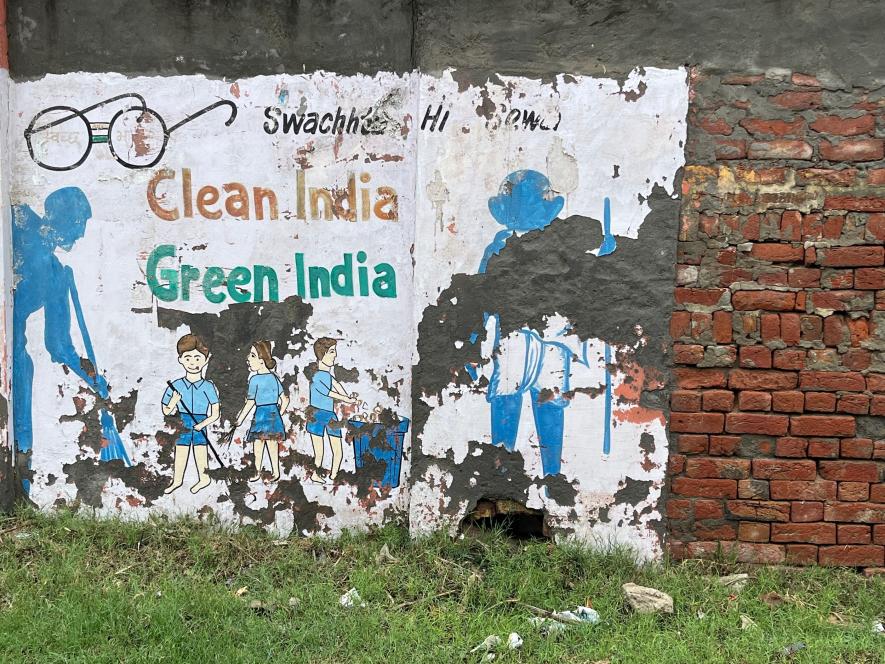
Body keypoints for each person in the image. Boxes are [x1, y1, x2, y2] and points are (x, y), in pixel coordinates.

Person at [12, 187, 129, 490]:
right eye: (78, 224)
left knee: (23, 379)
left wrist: (90, 377)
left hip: (14, 355)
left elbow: (58, 343)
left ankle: (21, 486)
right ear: (60, 218)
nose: (80, 235)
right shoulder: (17, 222)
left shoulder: (55, 272)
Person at [161, 334, 219, 494]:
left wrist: (202, 425)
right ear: (180, 359)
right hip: (183, 421)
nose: (193, 363)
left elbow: (215, 414)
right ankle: (177, 480)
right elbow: (166, 410)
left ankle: (204, 477)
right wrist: (173, 402)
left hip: (200, 421)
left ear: (206, 360)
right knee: (181, 449)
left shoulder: (208, 387)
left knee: (200, 449)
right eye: (188, 358)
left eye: (197, 358)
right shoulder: (176, 385)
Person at [306, 337, 359, 484]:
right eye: (331, 352)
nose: (335, 355)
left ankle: (334, 475)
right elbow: (328, 392)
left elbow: (337, 386)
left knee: (337, 449)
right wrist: (346, 399)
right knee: (319, 451)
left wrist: (348, 397)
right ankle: (316, 474)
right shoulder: (317, 376)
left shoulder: (328, 376)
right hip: (316, 414)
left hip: (329, 415)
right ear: (322, 355)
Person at [234, 341, 288, 482]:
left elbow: (250, 402)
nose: (248, 359)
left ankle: (257, 472)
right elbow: (285, 400)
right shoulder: (274, 378)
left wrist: (240, 419)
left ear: (262, 359)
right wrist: (279, 414)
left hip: (261, 414)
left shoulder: (255, 380)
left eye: (252, 355)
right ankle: (275, 473)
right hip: (272, 414)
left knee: (258, 446)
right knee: (271, 445)